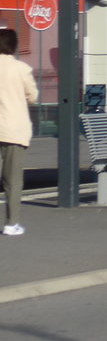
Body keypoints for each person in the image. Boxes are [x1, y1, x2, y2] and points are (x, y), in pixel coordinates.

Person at [0, 28, 37, 236]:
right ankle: (11, 223)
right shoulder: (21, 69)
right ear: (14, 45)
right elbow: (32, 96)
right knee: (12, 180)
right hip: (14, 130)